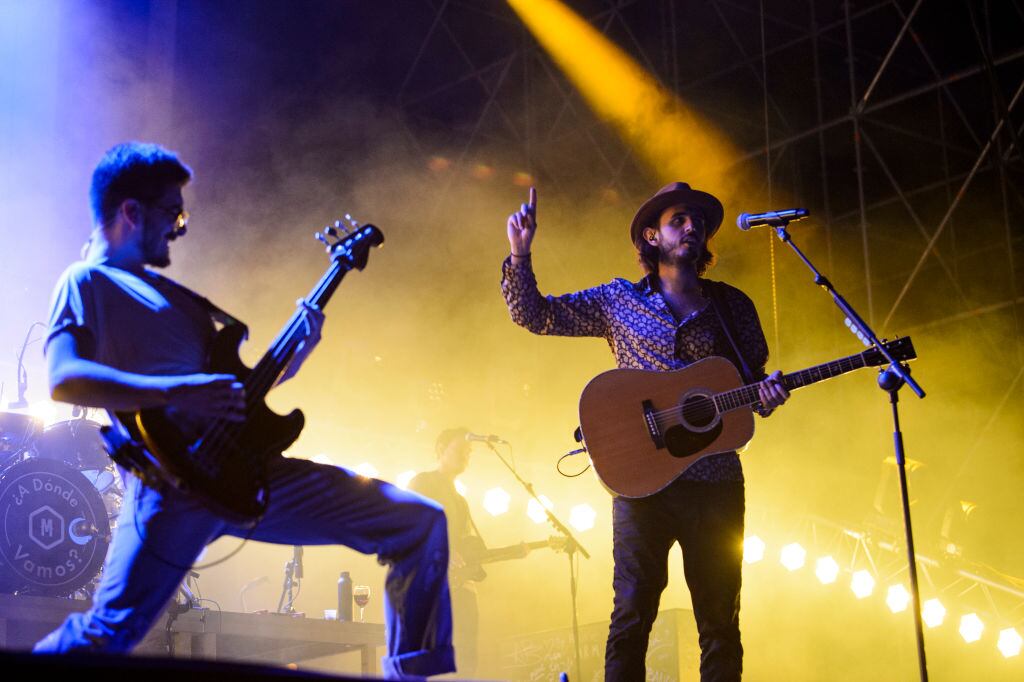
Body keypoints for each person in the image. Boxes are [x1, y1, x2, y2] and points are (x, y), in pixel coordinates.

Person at [34, 142, 455, 680]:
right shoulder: (87, 282)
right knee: (109, 632)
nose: (180, 227)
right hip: (173, 486)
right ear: (130, 212)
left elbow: (233, 391)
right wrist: (177, 393)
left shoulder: (181, 301)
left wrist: (293, 356)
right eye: (172, 212)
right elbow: (63, 378)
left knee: (418, 523)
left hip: (247, 473)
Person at [501, 183, 790, 681]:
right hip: (640, 481)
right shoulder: (619, 300)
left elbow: (746, 387)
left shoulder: (733, 306)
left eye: (698, 220)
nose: (692, 226)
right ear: (652, 235)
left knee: (720, 620)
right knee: (632, 615)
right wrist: (520, 254)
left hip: (715, 480)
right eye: (680, 219)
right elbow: (536, 314)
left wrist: (764, 398)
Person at [408, 428, 528, 676]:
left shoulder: (460, 500)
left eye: (468, 451)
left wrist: (513, 552)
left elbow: (468, 547)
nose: (466, 455)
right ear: (441, 450)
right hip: (431, 587)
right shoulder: (423, 482)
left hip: (460, 590)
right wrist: (442, 551)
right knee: (438, 658)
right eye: (460, 449)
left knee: (465, 660)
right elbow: (410, 523)